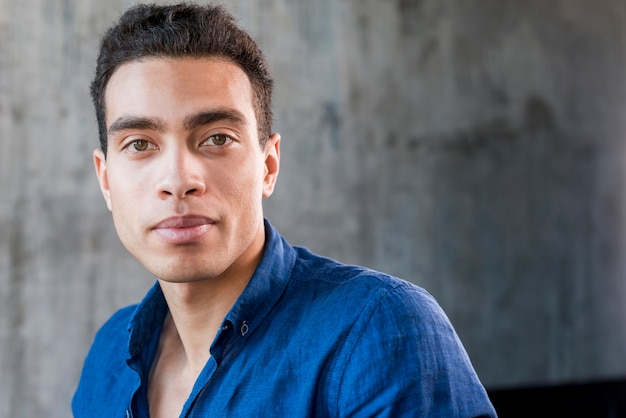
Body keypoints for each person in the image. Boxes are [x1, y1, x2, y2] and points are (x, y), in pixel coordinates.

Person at [72, 3, 497, 417]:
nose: (179, 179)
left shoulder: (377, 330)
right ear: (106, 180)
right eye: (140, 144)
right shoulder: (109, 356)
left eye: (217, 138)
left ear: (268, 166)